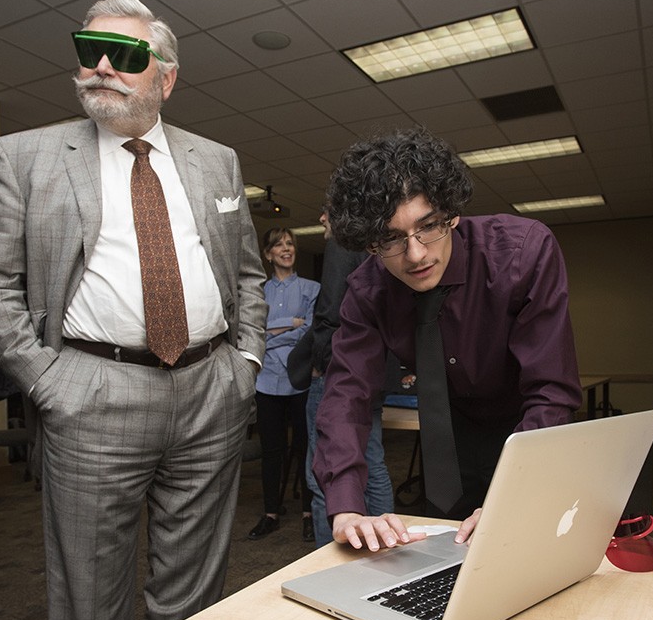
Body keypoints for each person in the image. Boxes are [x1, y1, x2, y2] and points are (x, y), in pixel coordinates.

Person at [0, 0, 266, 620]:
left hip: (211, 389)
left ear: (165, 76)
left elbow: (247, 274)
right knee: (90, 598)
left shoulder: (217, 161)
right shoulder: (23, 156)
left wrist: (244, 363)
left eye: (124, 55)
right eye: (87, 51)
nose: (100, 65)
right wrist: (45, 379)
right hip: (91, 392)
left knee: (194, 594)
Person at [312, 127, 581, 551]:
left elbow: (551, 390)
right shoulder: (368, 289)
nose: (416, 254)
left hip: (531, 430)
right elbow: (347, 396)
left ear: (451, 212)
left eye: (429, 227)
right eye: (391, 239)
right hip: (447, 441)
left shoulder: (523, 252)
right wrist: (345, 506)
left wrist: (510, 496)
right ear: (370, 242)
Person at [287, 211, 395, 547]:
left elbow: (331, 310)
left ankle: (329, 560)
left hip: (337, 372)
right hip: (373, 369)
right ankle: (387, 544)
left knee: (323, 473)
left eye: (327, 209)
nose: (320, 217)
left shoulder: (343, 240)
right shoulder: (380, 244)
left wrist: (319, 363)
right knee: (372, 461)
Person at [249, 227, 319, 541]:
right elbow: (252, 333)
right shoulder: (257, 292)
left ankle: (309, 513)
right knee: (272, 451)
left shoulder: (311, 288)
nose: (286, 249)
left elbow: (312, 332)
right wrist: (288, 324)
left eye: (290, 244)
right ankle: (271, 513)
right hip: (265, 382)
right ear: (268, 254)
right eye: (279, 245)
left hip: (300, 378)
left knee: (306, 449)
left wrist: (271, 333)